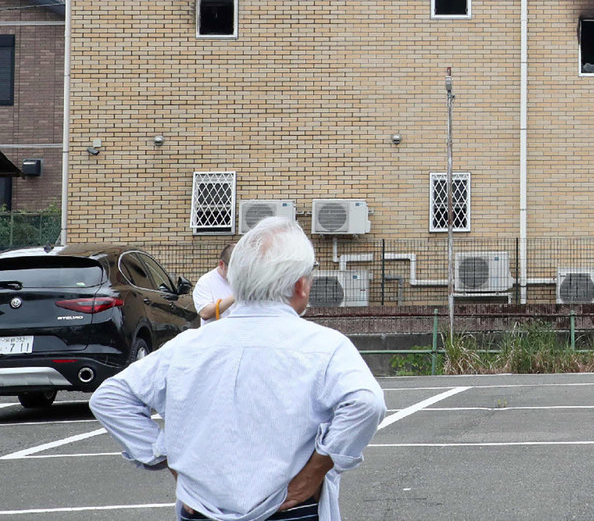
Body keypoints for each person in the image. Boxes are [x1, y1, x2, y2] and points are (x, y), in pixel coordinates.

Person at [91, 217, 387, 521]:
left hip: (202, 510)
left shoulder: (186, 346)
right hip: (291, 508)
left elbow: (110, 398)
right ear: (300, 285)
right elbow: (366, 403)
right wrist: (314, 474)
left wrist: (168, 459)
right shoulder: (325, 346)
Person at [192, 243, 235, 325]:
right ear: (222, 265)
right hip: (216, 336)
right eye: (234, 269)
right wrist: (236, 295)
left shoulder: (246, 280)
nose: (238, 274)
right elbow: (205, 313)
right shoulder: (206, 282)